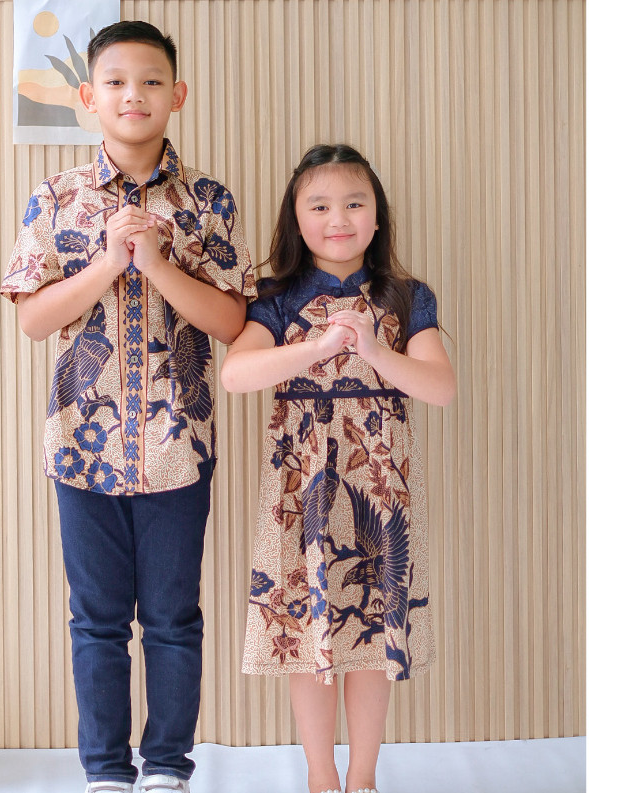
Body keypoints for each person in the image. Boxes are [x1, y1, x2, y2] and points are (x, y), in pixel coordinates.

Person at [1, 20, 256, 793]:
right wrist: (111, 261)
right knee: (97, 621)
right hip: (81, 447)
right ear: (88, 97)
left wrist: (158, 263)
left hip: (179, 446)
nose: (132, 95)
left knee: (174, 619)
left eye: (150, 81)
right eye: (114, 81)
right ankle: (107, 772)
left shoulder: (207, 200)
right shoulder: (55, 197)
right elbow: (33, 320)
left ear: (178, 94)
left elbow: (231, 321)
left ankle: (168, 768)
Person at [221, 144, 455, 793]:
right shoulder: (275, 297)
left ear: (377, 217)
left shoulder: (406, 296)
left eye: (354, 204)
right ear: (296, 219)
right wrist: (318, 347)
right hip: (301, 493)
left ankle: (363, 778)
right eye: (319, 206)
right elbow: (236, 374)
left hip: (380, 493)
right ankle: (320, 777)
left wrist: (374, 349)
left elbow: (439, 387)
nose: (338, 219)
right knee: (309, 635)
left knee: (374, 635)